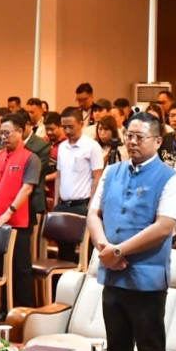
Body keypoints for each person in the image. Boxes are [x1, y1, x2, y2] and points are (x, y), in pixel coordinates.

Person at [86, 112, 176, 351]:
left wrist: (118, 251)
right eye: (129, 135)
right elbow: (93, 213)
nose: (132, 142)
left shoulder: (170, 178)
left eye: (140, 137)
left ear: (157, 141)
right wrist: (103, 248)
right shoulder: (112, 172)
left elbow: (164, 226)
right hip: (112, 279)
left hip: (146, 280)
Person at [0, 112, 41, 314]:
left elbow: (27, 189)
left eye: (7, 133)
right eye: (1, 133)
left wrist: (8, 214)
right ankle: (6, 308)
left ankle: (26, 311)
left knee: (20, 268)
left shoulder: (30, 158)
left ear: (20, 131)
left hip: (18, 222)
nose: (3, 137)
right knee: (1, 267)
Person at [55, 107, 104, 261]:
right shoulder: (62, 147)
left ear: (81, 124)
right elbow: (59, 176)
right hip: (64, 204)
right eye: (64, 127)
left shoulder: (92, 146)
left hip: (82, 204)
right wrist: (56, 202)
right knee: (63, 252)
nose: (67, 130)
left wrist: (91, 205)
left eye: (71, 126)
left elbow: (98, 177)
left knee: (85, 251)